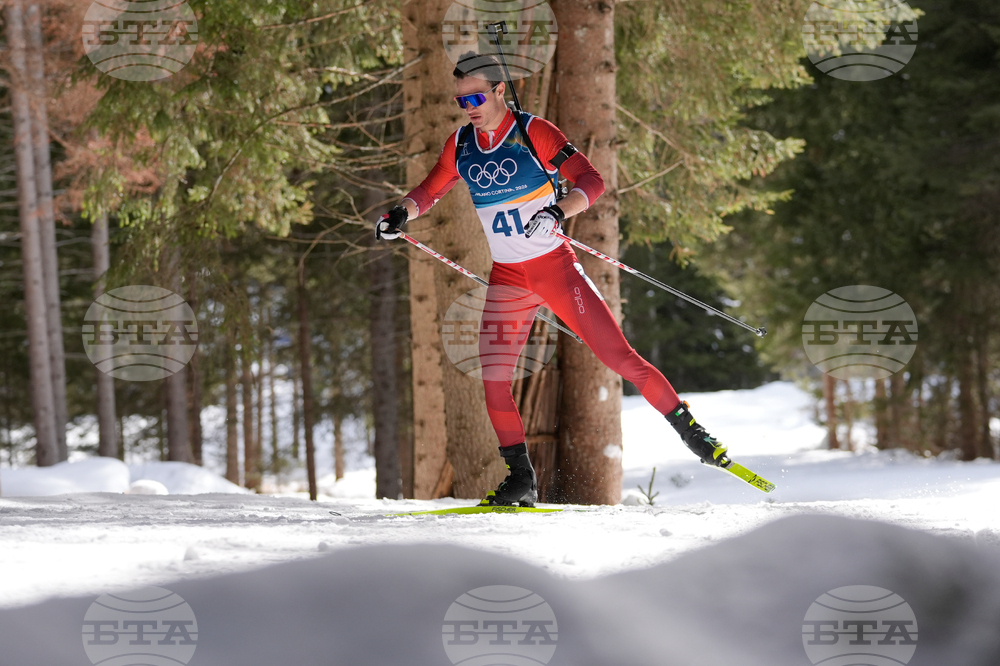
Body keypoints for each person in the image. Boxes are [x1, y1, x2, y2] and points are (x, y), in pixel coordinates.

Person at [376, 52, 729, 506]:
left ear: (500, 91)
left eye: (477, 98)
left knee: (619, 358)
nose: (469, 108)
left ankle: (693, 433)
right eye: (461, 100)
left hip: (555, 269)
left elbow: (592, 181)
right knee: (494, 378)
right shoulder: (461, 144)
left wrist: (559, 211)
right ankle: (521, 478)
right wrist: (401, 212)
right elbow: (431, 189)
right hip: (508, 278)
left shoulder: (534, 132)